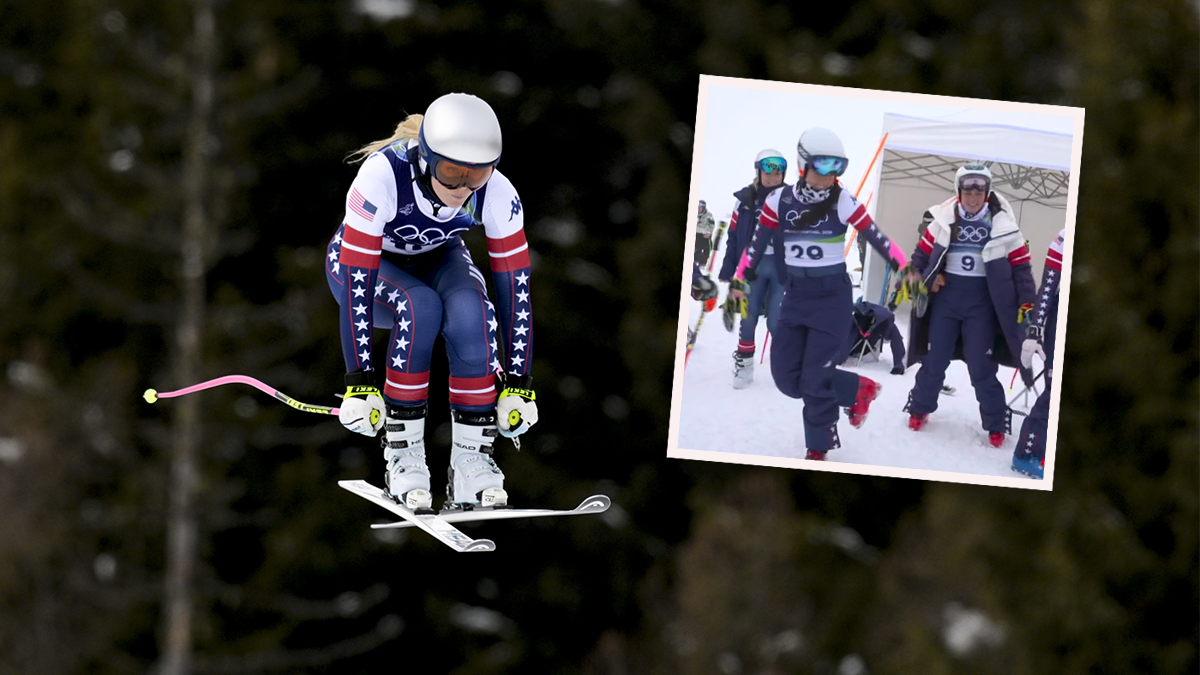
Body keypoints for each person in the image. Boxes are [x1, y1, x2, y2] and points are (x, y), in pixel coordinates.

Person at [327, 93, 538, 512]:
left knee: (470, 312)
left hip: (437, 258)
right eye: (451, 172)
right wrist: (360, 381)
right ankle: (404, 458)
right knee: (420, 306)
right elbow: (356, 279)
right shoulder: (381, 176)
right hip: (364, 269)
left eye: (476, 175)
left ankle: (471, 463)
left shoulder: (497, 192)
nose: (463, 187)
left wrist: (519, 384)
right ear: (425, 159)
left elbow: (516, 287)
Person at [734, 128, 909, 460]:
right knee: (786, 378)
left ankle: (819, 447)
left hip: (832, 300)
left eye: (837, 168)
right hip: (795, 296)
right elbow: (755, 246)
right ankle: (859, 389)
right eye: (822, 166)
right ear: (803, 164)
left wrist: (904, 267)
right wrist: (739, 280)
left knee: (815, 379)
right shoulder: (778, 200)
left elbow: (876, 237)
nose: (829, 176)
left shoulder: (843, 201)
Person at [901, 162, 1036, 447]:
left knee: (981, 366)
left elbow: (1022, 269)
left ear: (986, 193)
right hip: (947, 303)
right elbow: (918, 259)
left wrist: (1028, 303)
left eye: (979, 192)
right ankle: (919, 408)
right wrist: (924, 280)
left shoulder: (1004, 226)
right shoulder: (942, 220)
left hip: (981, 305)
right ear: (959, 191)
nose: (973, 198)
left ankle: (996, 423)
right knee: (934, 360)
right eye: (968, 191)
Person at [717, 149, 790, 389]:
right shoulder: (746, 200)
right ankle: (745, 367)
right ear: (759, 170)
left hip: (781, 267)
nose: (773, 174)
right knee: (748, 318)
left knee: (776, 321)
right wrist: (729, 271)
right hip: (752, 267)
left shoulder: (792, 199)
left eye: (778, 169)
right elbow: (734, 237)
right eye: (768, 168)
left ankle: (787, 368)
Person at [1012, 228, 1065, 479]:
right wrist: (1034, 332)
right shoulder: (1064, 239)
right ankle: (1025, 453)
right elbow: (1047, 289)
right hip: (1059, 324)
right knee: (1053, 392)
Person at [838, 298, 906, 373]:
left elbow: (849, 336)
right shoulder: (885, 320)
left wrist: (840, 359)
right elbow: (897, 340)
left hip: (855, 347)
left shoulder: (856, 318)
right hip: (868, 350)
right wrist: (898, 364)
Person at [695, 200, 716, 267]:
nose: (698, 209)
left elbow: (712, 225)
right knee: (697, 247)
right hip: (696, 233)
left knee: (707, 247)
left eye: (700, 207)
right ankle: (696, 260)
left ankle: (703, 263)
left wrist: (709, 232)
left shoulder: (708, 215)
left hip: (705, 234)